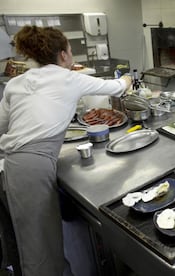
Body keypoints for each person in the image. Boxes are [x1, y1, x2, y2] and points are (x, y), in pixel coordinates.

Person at [0, 26, 132, 276]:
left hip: (17, 166)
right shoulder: (68, 77)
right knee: (41, 247)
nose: (72, 57)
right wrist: (126, 79)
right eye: (71, 52)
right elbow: (116, 87)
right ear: (63, 55)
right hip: (32, 168)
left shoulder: (16, 83)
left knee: (36, 241)